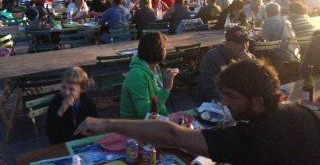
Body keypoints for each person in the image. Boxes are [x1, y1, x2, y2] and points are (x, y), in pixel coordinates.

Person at [77, 59, 320, 164]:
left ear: (258, 102)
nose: (224, 102)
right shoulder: (301, 112)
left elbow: (172, 135)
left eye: (232, 96)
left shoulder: (252, 138)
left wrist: (107, 123)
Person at [120, 32, 178, 119]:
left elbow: (158, 103)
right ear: (158, 51)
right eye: (164, 47)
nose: (166, 50)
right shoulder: (136, 75)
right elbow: (145, 114)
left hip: (153, 120)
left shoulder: (155, 69)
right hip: (135, 126)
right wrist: (166, 89)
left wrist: (167, 117)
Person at [197, 26, 255, 103]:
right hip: (215, 102)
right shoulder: (213, 57)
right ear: (227, 44)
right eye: (239, 43)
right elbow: (211, 88)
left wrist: (251, 65)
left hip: (239, 100)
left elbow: (257, 82)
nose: (244, 47)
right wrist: (231, 104)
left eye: (246, 42)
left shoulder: (248, 58)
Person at [45, 67, 98, 145]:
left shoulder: (88, 104)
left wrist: (90, 132)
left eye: (71, 89)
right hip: (61, 145)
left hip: (83, 143)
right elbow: (49, 131)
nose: (66, 92)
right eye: (63, 87)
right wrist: (61, 111)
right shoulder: (56, 103)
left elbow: (95, 124)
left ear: (82, 89)